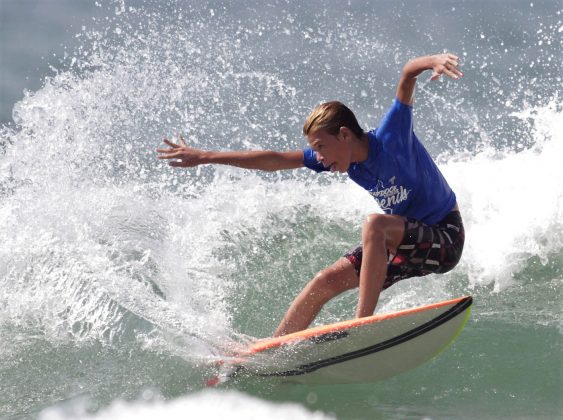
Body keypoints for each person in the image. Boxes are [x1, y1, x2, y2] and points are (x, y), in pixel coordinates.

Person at [156, 53, 465, 338]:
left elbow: (407, 74)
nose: (319, 157)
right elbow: (274, 160)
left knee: (376, 225)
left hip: (444, 238)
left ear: (344, 135)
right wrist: (206, 156)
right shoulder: (342, 161)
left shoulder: (391, 135)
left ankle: (360, 327)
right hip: (405, 247)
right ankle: (272, 351)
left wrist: (434, 61)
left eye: (321, 147)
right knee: (324, 281)